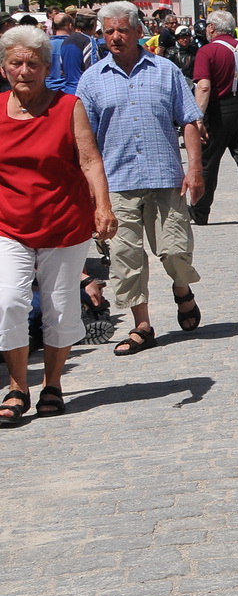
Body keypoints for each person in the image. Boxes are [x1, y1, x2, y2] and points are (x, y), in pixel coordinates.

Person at [0, 26, 117, 425]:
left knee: (60, 306)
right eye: (16, 63)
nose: (24, 70)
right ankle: (18, 387)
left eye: (33, 63)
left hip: (63, 223)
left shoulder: (68, 106)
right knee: (8, 303)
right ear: (4, 68)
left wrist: (102, 206)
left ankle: (52, 383)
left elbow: (89, 160)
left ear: (47, 67)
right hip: (8, 224)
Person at [75, 1, 205, 355]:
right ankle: (142, 325)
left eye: (122, 30)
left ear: (137, 32)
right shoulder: (91, 80)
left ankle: (182, 289)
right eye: (108, 32)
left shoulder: (165, 71)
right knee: (125, 257)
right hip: (116, 182)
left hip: (165, 177)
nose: (115, 37)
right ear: (102, 36)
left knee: (175, 250)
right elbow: (84, 141)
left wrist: (194, 169)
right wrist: (90, 191)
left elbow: (190, 121)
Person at [191, 10, 238, 230]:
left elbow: (204, 86)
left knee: (209, 163)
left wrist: (197, 118)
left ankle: (199, 211)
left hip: (219, 111)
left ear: (212, 28)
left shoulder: (207, 51)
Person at [45, 11, 85, 95]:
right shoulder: (74, 45)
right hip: (67, 92)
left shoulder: (45, 45)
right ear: (70, 26)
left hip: (47, 92)